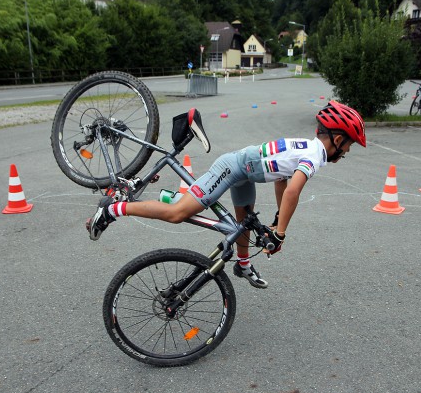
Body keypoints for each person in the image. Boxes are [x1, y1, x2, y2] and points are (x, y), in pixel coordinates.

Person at [86, 101, 367, 289]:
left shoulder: (308, 147)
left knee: (244, 222)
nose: (348, 151)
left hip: (244, 173)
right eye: (350, 145)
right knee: (178, 213)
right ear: (339, 140)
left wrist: (278, 218)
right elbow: (294, 189)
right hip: (232, 168)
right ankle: (114, 209)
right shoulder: (315, 155)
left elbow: (283, 183)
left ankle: (243, 265)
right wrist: (280, 233)